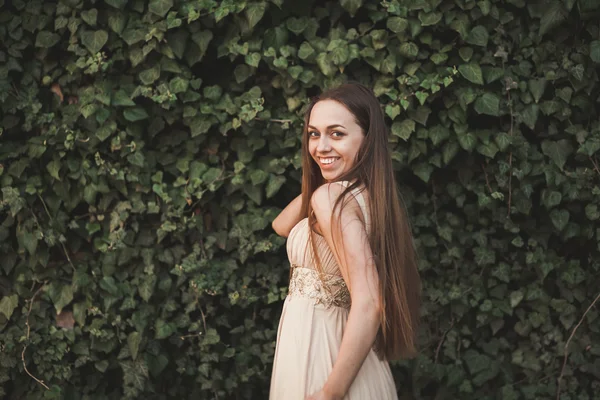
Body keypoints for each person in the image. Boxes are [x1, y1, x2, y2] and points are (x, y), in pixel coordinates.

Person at [269, 82, 421, 400]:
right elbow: (281, 225)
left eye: (336, 134)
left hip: (321, 358)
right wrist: (319, 174)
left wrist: (329, 393)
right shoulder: (363, 195)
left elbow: (369, 302)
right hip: (339, 354)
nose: (320, 146)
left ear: (366, 139)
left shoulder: (333, 199)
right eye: (314, 134)